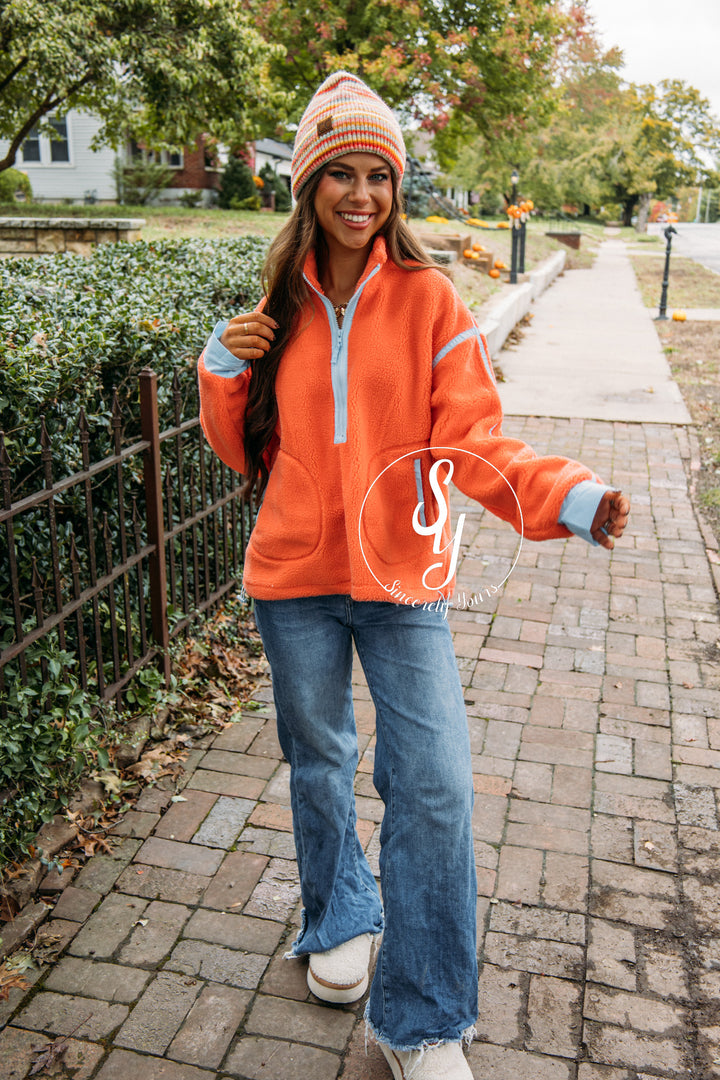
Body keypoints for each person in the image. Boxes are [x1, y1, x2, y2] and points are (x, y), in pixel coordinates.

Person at [198, 72, 630, 1080]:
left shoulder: (432, 300)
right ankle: (339, 915)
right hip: (293, 581)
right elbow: (246, 452)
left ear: (396, 188)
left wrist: (566, 495)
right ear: (308, 185)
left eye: (378, 175)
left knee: (432, 785)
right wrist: (221, 371)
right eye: (339, 173)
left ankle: (423, 1020)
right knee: (319, 761)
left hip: (402, 583)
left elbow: (474, 442)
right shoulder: (277, 305)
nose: (361, 194)